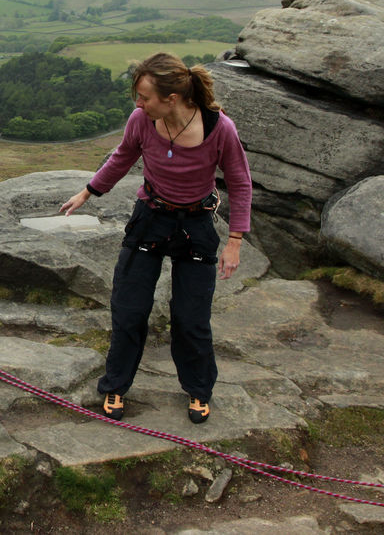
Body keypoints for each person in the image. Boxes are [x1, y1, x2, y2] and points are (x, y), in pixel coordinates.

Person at [59, 52, 251, 425]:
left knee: (190, 318)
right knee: (129, 309)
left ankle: (198, 391)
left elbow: (241, 184)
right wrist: (88, 192)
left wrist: (235, 242)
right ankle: (115, 384)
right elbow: (122, 156)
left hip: (195, 226)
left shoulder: (219, 128)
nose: (138, 103)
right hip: (150, 218)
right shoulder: (141, 121)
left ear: (172, 99)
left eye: (145, 97)